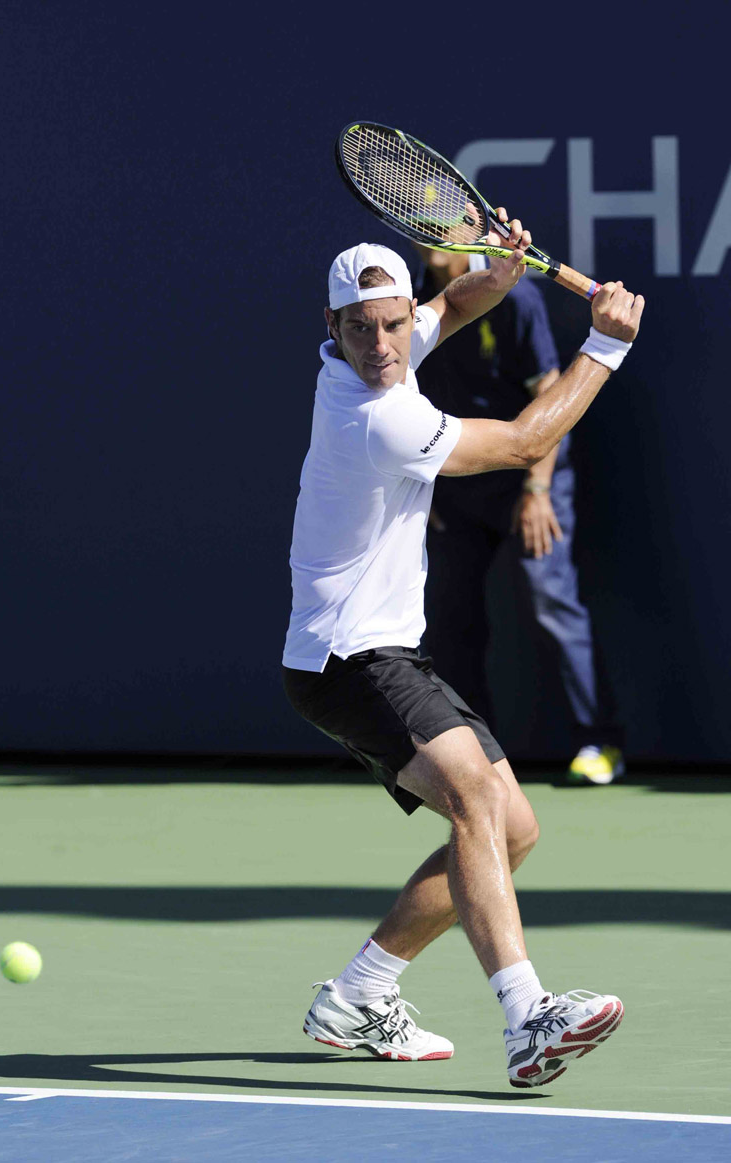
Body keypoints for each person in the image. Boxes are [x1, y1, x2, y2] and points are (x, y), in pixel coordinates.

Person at [281, 220, 643, 1088]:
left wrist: (500, 269)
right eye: (360, 328)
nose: (381, 344)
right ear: (332, 328)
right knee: (478, 798)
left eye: (392, 324)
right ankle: (528, 1016)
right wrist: (605, 346)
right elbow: (524, 443)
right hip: (347, 661)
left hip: (384, 655)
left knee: (511, 830)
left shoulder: (385, 348)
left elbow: (449, 305)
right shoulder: (380, 415)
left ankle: (359, 992)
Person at [413, 246, 624, 786]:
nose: (432, 234)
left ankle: (598, 740)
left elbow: (549, 394)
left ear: (470, 224)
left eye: (444, 219)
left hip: (529, 473)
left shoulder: (517, 298)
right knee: (451, 619)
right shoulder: (416, 300)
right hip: (457, 480)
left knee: (550, 601)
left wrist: (537, 489)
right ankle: (476, 755)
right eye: (422, 222)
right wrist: (422, 490)